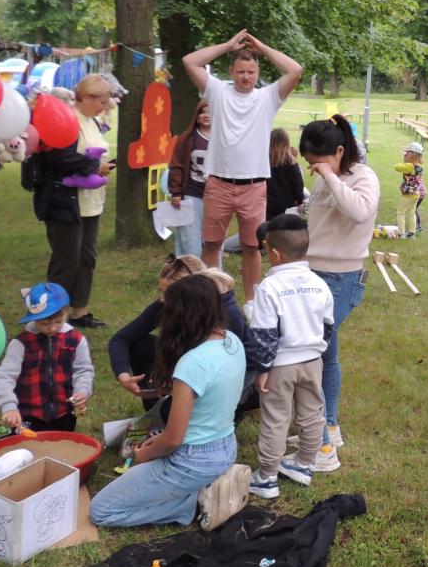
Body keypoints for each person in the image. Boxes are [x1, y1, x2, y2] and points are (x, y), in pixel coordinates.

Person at [90, 276, 245, 528]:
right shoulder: (231, 341)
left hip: (190, 461)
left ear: (181, 314)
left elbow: (173, 439)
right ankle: (198, 490)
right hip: (226, 447)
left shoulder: (192, 363)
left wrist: (145, 454)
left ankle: (190, 505)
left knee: (101, 511)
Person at [182, 30, 303, 299]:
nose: (245, 77)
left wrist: (263, 48)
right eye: (240, 72)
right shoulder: (216, 91)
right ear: (231, 72)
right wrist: (227, 46)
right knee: (212, 244)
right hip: (218, 184)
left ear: (257, 73)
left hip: (253, 186)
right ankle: (213, 299)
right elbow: (190, 61)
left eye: (251, 72)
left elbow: (295, 70)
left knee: (252, 247)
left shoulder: (268, 97)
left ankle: (251, 302)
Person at [299, 113, 380, 471]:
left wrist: (330, 177)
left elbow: (360, 212)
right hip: (313, 272)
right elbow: (323, 218)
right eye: (311, 163)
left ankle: (321, 448)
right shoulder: (325, 176)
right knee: (326, 355)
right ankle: (328, 426)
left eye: (319, 162)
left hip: (340, 278)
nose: (315, 169)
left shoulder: (363, 176)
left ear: (340, 151)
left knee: (308, 358)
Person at [246, 214, 333, 499]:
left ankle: (267, 477)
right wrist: (315, 351)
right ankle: (305, 463)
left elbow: (264, 334)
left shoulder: (269, 288)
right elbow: (328, 326)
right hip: (313, 362)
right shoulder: (319, 284)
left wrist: (262, 368)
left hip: (279, 365)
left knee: (276, 418)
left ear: (273, 253)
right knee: (312, 413)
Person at [107, 254, 247, 412]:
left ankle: (170, 410)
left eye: (169, 293)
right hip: (188, 368)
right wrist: (124, 376)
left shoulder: (228, 315)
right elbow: (121, 339)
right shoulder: (171, 303)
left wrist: (175, 381)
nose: (162, 300)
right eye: (162, 292)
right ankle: (155, 413)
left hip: (221, 389)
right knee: (140, 346)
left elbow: (228, 370)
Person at [36, 75, 118, 329]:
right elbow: (59, 157)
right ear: (86, 97)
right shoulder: (67, 120)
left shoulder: (92, 120)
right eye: (102, 101)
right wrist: (94, 166)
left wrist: (101, 166)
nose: (105, 106)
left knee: (86, 258)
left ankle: (79, 312)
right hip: (65, 202)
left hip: (90, 203)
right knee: (66, 260)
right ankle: (51, 315)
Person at [0, 282, 93, 432]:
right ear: (33, 318)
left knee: (61, 444)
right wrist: (9, 406)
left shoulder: (76, 340)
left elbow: (83, 370)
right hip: (28, 414)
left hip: (64, 413)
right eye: (44, 323)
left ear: (66, 313)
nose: (52, 328)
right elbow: (5, 376)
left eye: (58, 322)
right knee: (28, 446)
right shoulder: (21, 343)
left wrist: (82, 391)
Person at [167, 100, 211, 260]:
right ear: (197, 116)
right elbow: (176, 166)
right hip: (192, 194)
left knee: (213, 239)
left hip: (216, 196)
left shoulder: (223, 138)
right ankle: (190, 269)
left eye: (210, 112)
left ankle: (214, 270)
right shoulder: (187, 139)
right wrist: (176, 192)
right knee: (189, 238)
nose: (206, 115)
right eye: (202, 112)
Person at [266, 127, 307, 221]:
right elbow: (298, 185)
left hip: (268, 206)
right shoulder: (292, 164)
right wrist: (299, 200)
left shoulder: (265, 163)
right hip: (286, 207)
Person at [394, 141, 426, 238]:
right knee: (412, 213)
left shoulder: (410, 166)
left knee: (400, 212)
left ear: (412, 155)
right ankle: (412, 232)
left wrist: (403, 163)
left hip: (408, 195)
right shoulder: (420, 166)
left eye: (406, 154)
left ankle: (401, 232)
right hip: (416, 194)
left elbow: (396, 167)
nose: (404, 155)